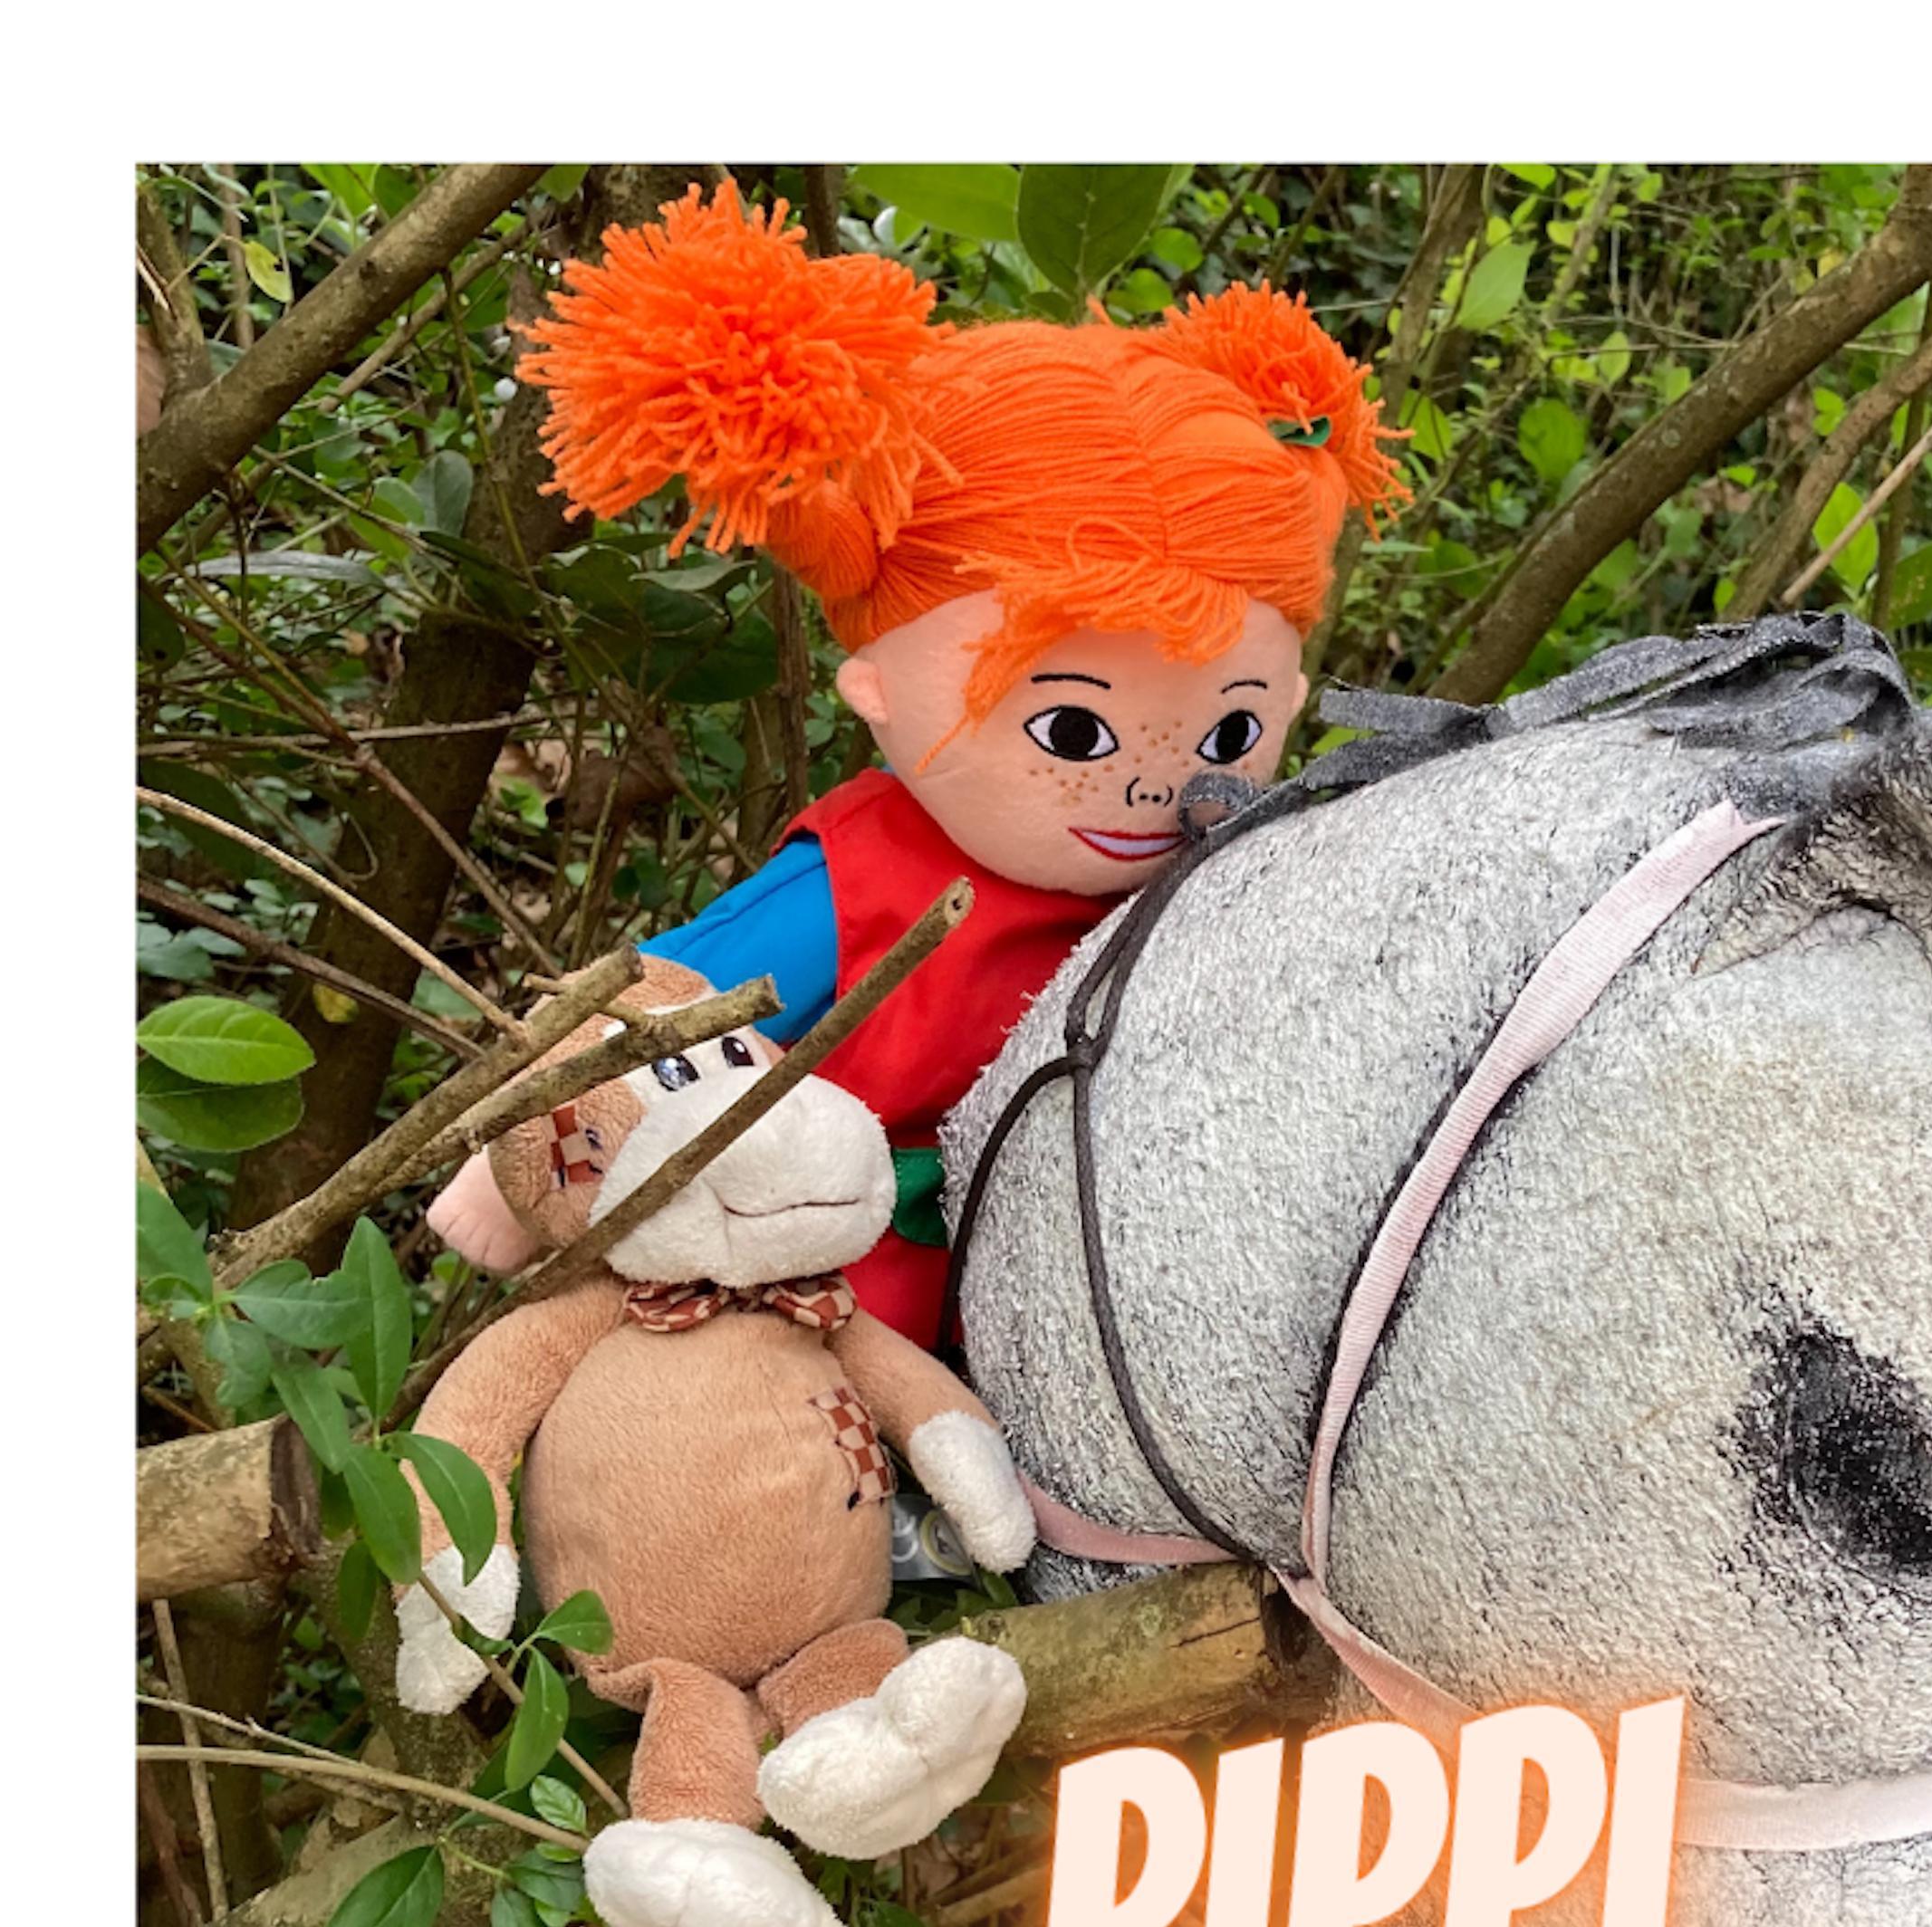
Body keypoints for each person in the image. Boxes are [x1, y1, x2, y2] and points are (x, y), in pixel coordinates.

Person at [430, 179, 1405, 1344]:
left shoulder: (1224, 878)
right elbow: (664, 1009)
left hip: (1121, 1316)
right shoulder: (868, 882)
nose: (1158, 786)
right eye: (1075, 732)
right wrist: (517, 1167)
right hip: (823, 1307)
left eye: (1229, 733)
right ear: (881, 692)